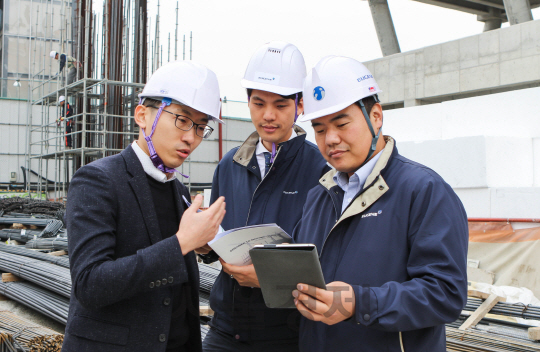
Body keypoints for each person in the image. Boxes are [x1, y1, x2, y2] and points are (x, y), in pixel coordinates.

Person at [291, 56, 469, 352]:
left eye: (342, 123)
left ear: (376, 116)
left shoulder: (423, 190)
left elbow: (445, 294)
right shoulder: (319, 195)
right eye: (320, 129)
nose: (331, 139)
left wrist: (359, 303)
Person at [63, 61, 226, 352]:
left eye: (201, 126)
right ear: (142, 115)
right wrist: (182, 243)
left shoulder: (177, 189)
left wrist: (205, 245)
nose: (191, 136)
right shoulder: (98, 180)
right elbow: (90, 284)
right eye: (182, 120)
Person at [199, 41, 330, 352]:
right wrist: (204, 245)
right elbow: (219, 237)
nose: (268, 116)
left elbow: (330, 260)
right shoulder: (229, 165)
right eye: (259, 104)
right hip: (226, 326)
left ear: (300, 105)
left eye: (281, 105)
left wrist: (271, 278)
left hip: (287, 332)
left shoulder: (321, 171)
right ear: (248, 102)